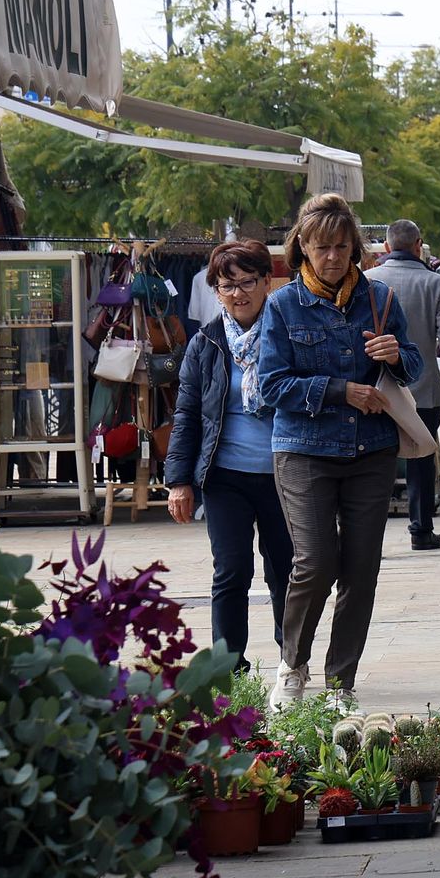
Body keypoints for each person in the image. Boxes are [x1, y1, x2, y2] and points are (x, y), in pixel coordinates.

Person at [260, 194, 423, 706]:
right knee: (314, 562)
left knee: (360, 568)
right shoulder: (283, 305)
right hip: (304, 450)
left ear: (355, 247)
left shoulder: (380, 298)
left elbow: (414, 366)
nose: (332, 257)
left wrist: (396, 355)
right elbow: (270, 385)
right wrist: (339, 390)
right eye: (321, 247)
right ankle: (292, 664)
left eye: (340, 246)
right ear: (302, 249)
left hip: (371, 450)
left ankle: (341, 682)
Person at [165, 239, 292, 672]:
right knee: (231, 570)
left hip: (283, 472)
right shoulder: (205, 343)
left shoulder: (288, 333)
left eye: (247, 282)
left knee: (286, 570)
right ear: (216, 291)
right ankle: (228, 667)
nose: (238, 293)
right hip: (225, 476)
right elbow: (187, 415)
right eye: (227, 285)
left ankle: (292, 660)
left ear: (267, 282)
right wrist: (179, 481)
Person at [367, 219, 440, 551]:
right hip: (423, 389)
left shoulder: (368, 281)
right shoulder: (436, 283)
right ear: (418, 245)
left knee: (373, 463)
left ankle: (370, 538)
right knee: (421, 456)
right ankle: (421, 530)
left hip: (376, 388)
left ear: (387, 247)